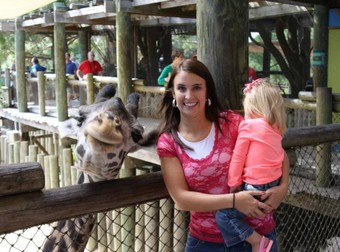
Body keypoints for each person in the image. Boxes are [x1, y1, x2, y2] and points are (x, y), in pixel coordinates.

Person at [156, 59, 289, 252]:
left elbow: (277, 151)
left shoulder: (232, 123)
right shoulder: (169, 142)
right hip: (205, 242)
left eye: (197, 88)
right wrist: (234, 201)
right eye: (182, 88)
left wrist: (283, 187)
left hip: (259, 237)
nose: (189, 95)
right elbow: (181, 199)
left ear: (207, 91)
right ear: (173, 94)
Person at [215, 78, 287, 252]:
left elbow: (238, 157)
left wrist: (234, 184)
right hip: (274, 183)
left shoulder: (248, 126)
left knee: (223, 215)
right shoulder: (276, 128)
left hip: (256, 184)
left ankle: (256, 241)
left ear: (252, 106)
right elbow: (282, 155)